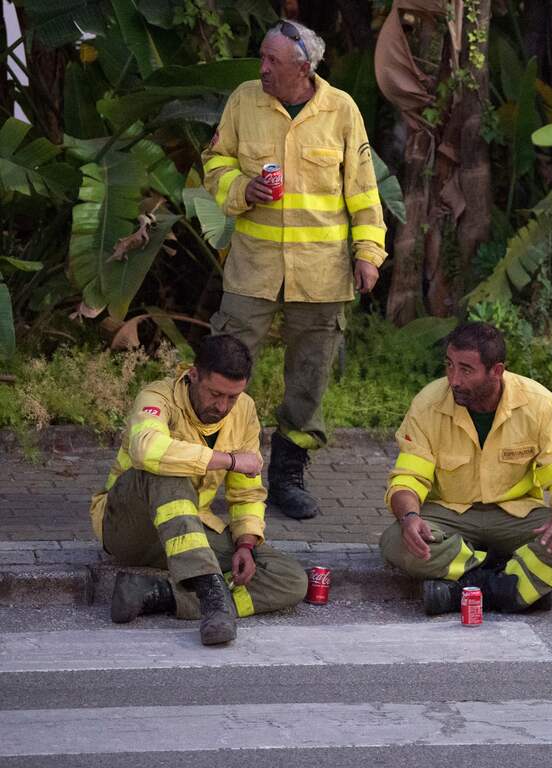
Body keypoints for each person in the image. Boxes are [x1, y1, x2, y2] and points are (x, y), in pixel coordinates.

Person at [201, 19, 387, 520]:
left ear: (303, 68)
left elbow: (365, 193)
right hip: (253, 270)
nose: (261, 68)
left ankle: (287, 473)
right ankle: (202, 466)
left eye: (272, 62)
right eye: (261, 57)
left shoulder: (341, 110)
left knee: (309, 376)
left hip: (322, 275)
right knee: (223, 362)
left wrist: (369, 253)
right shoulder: (243, 101)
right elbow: (214, 164)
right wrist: (241, 190)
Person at [88, 335, 308, 646]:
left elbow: (247, 489)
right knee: (167, 468)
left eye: (232, 397)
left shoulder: (244, 410)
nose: (223, 406)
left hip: (185, 535)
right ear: (193, 375)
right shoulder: (157, 395)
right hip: (127, 526)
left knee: (290, 579)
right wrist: (228, 460)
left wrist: (246, 543)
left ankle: (159, 595)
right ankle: (211, 594)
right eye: (215, 394)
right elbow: (146, 449)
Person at [379, 322, 552, 614]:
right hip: (451, 515)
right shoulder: (428, 404)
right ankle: (509, 585)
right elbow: (408, 479)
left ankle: (461, 591)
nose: (453, 380)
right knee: (396, 540)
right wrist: (410, 517)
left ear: (496, 371)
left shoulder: (538, 403)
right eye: (449, 365)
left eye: (466, 369)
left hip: (517, 514)